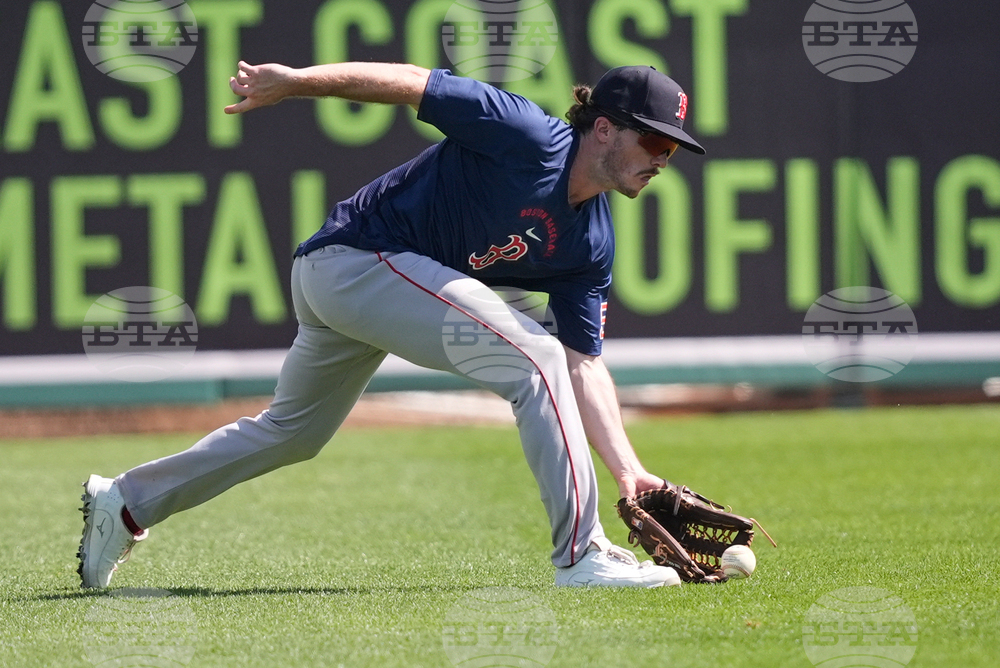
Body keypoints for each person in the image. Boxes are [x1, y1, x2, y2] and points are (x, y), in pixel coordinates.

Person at [77, 60, 707, 589]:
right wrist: (296, 81)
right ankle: (581, 553)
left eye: (672, 148)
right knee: (531, 358)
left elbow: (585, 362)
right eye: (655, 142)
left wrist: (630, 471)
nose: (664, 158)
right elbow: (410, 82)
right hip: (354, 259)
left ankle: (125, 503)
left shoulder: (591, 242)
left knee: (293, 433)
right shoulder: (526, 135)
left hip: (362, 288)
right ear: (604, 129)